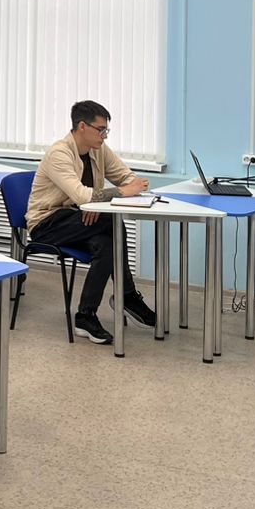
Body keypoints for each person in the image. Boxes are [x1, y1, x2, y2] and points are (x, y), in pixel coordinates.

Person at [26, 100, 155, 344]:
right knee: (111, 222)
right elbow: (82, 196)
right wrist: (118, 193)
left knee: (106, 244)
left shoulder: (99, 149)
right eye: (101, 129)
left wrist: (130, 188)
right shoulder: (59, 153)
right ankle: (127, 296)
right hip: (47, 223)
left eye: (107, 130)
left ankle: (85, 316)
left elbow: (128, 178)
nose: (105, 135)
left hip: (80, 219)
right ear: (82, 126)